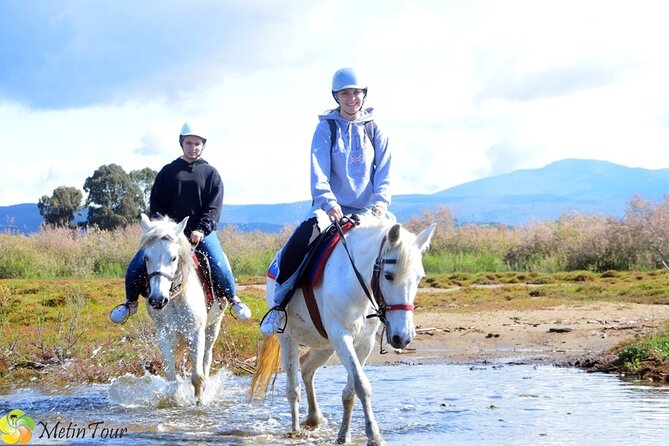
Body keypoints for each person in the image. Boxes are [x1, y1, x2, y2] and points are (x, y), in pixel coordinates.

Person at [259, 67, 392, 336]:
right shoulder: (326, 128)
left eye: (356, 92)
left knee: (398, 251)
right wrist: (330, 204)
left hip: (369, 209)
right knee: (301, 239)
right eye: (345, 93)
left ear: (363, 95)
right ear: (336, 96)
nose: (351, 98)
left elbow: (385, 171)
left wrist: (380, 203)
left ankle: (395, 314)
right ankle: (278, 305)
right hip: (329, 207)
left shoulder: (375, 128)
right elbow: (317, 170)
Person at [109, 122, 252, 324]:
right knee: (137, 263)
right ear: (181, 143)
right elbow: (157, 204)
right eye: (189, 143)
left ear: (203, 145)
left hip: (200, 234)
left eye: (197, 143)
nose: (193, 147)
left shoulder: (211, 174)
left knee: (218, 262)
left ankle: (233, 299)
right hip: (169, 235)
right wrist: (163, 228)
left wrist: (201, 229)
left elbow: (214, 207)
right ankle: (130, 303)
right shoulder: (168, 172)